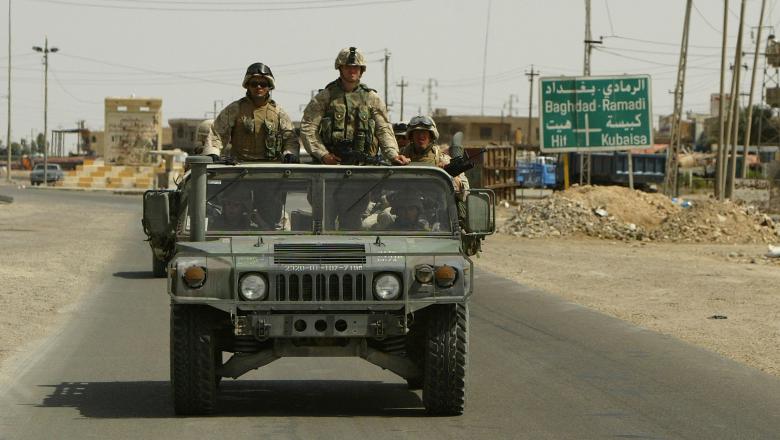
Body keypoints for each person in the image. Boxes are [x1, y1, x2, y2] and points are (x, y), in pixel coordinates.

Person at [300, 47, 410, 165]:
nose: (352, 70)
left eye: (356, 67)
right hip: (331, 166)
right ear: (340, 68)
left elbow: (383, 129)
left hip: (364, 167)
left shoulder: (371, 98)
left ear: (361, 70)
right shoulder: (325, 97)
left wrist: (393, 155)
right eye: (348, 67)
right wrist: (323, 155)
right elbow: (308, 128)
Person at [203, 62, 298, 163]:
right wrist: (213, 152)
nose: (258, 87)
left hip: (271, 167)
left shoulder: (278, 112)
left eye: (263, 84)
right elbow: (217, 134)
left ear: (269, 87)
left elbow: (290, 138)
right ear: (247, 85)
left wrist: (290, 153)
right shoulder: (235, 109)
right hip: (239, 167)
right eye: (254, 84)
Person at [401, 115, 469, 194]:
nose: (420, 136)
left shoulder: (444, 159)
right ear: (411, 136)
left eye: (424, 132)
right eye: (417, 132)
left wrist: (449, 175)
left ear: (431, 136)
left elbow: (465, 191)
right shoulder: (400, 158)